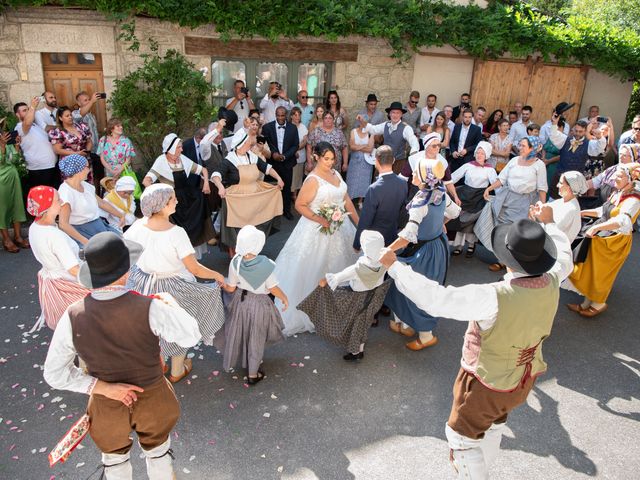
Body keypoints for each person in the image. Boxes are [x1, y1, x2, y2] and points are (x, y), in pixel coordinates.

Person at [379, 207, 573, 480]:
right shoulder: (554, 277)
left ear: (507, 258)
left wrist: (395, 266)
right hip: (524, 378)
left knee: (461, 440)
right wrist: (550, 224)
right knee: (492, 427)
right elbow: (565, 254)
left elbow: (436, 299)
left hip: (486, 382)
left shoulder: (494, 297)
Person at [43, 231, 201, 479]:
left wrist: (101, 387)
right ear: (125, 271)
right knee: (158, 455)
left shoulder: (72, 315)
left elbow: (54, 374)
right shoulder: (151, 306)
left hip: (106, 406)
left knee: (115, 464)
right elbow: (190, 336)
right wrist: (171, 303)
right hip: (153, 398)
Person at [124, 184, 226, 382]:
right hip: (174, 287)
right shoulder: (175, 233)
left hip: (143, 283)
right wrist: (217, 276)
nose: (177, 201)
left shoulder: (137, 227)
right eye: (172, 199)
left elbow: (127, 252)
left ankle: (160, 362)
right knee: (180, 324)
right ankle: (177, 370)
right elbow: (194, 268)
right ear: (162, 205)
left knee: (154, 326)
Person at [274, 142, 360, 335]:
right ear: (316, 157)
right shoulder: (312, 180)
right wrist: (321, 219)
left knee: (343, 264)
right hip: (317, 228)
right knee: (314, 267)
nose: (330, 162)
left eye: (332, 159)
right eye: (326, 159)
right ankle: (314, 309)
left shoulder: (336, 174)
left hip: (340, 227)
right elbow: (300, 205)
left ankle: (341, 306)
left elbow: (346, 201)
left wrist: (359, 225)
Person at [385, 156, 450, 350]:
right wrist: (439, 226)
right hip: (437, 246)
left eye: (416, 171)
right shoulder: (440, 192)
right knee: (405, 286)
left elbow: (407, 235)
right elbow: (455, 212)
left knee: (415, 289)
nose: (412, 173)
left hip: (422, 251)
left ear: (424, 177)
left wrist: (387, 250)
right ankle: (402, 323)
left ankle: (426, 335)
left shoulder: (421, 202)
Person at [300, 230, 391, 361]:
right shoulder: (384, 262)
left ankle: (355, 353)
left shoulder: (357, 269)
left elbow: (338, 277)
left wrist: (324, 281)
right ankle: (360, 348)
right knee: (364, 324)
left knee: (355, 325)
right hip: (374, 299)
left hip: (356, 300)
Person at [565, 165, 640, 317]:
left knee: (602, 272)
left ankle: (599, 303)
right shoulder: (618, 192)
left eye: (619, 177)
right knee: (591, 268)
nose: (614, 179)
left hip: (615, 241)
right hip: (603, 235)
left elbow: (622, 221)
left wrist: (595, 228)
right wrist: (583, 212)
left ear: (632, 180)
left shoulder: (633, 200)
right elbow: (604, 210)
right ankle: (587, 302)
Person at [221, 225, 288, 384]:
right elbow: (272, 288)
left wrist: (222, 284)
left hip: (241, 302)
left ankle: (245, 359)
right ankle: (252, 374)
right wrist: (284, 297)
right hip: (259, 305)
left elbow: (230, 287)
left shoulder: (235, 262)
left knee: (244, 331)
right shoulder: (266, 264)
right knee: (256, 337)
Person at [476, 137, 548, 271]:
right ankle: (501, 260)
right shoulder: (514, 160)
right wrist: (489, 188)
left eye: (523, 146)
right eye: (520, 145)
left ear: (532, 149)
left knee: (516, 233)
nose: (519, 148)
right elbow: (502, 179)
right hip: (508, 199)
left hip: (525, 202)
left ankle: (513, 263)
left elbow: (542, 187)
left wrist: (543, 207)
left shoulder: (539, 165)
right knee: (502, 230)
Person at [210, 127, 284, 252]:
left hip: (254, 195)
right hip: (238, 198)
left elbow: (266, 167)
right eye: (248, 143)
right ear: (240, 145)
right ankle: (235, 251)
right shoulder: (230, 160)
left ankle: (253, 249)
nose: (250, 144)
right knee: (238, 227)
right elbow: (216, 175)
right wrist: (220, 186)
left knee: (256, 224)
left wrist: (279, 178)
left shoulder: (252, 156)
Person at [27, 186, 89, 330]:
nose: (61, 201)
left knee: (69, 328)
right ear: (47, 206)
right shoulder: (54, 236)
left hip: (53, 279)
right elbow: (73, 269)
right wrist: (97, 282)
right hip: (68, 281)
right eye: (57, 199)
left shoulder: (34, 227)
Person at [142, 133, 214, 251]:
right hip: (171, 199)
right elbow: (146, 180)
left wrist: (206, 183)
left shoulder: (183, 160)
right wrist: (158, 195)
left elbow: (204, 170)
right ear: (170, 149)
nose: (182, 149)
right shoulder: (161, 161)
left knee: (201, 199)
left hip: (187, 196)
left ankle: (198, 240)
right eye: (179, 147)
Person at [57, 154, 124, 246]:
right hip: (81, 231)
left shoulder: (86, 186)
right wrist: (85, 241)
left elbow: (102, 203)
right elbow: (63, 224)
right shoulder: (66, 192)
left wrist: (120, 215)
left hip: (98, 225)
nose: (89, 170)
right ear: (78, 170)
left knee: (120, 245)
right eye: (87, 167)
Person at [449, 141, 498, 257]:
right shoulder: (468, 165)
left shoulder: (490, 170)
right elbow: (452, 178)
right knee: (460, 221)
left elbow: (497, 185)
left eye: (482, 153)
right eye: (478, 153)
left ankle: (471, 245)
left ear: (487, 156)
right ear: (475, 154)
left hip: (479, 199)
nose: (479, 155)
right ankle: (459, 246)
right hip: (465, 196)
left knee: (472, 223)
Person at [354, 145, 407, 251]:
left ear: (376, 161)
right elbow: (403, 212)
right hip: (393, 237)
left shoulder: (373, 188)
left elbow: (365, 219)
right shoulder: (403, 183)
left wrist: (357, 243)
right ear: (393, 160)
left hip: (375, 240)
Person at [548, 115, 609, 197]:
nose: (577, 133)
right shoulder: (565, 139)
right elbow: (554, 135)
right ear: (573, 130)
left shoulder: (589, 144)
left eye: (580, 131)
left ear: (585, 132)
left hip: (575, 181)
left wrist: (600, 137)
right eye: (576, 131)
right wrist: (554, 123)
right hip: (559, 178)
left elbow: (599, 148)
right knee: (553, 200)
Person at [359, 102, 420, 175]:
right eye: (393, 112)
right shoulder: (385, 125)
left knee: (395, 184)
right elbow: (373, 129)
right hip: (384, 162)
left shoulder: (406, 128)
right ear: (389, 114)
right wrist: (363, 121)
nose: (395, 115)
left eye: (398, 113)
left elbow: (413, 141)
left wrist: (414, 154)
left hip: (398, 163)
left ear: (401, 115)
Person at [262, 106, 299, 219]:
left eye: (283, 115)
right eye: (278, 115)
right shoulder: (267, 127)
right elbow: (266, 143)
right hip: (273, 163)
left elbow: (295, 145)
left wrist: (284, 156)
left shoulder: (293, 128)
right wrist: (274, 154)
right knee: (272, 187)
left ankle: (286, 210)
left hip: (287, 162)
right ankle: (271, 212)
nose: (280, 118)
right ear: (275, 115)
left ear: (286, 115)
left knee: (286, 188)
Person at [13, 98, 59, 189]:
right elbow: (27, 123)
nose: (28, 112)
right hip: (39, 169)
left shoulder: (35, 125)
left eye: (28, 110)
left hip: (50, 166)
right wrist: (33, 107)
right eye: (24, 111)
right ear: (18, 115)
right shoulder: (19, 127)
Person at [0, 131, 29, 253]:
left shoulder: (8, 143)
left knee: (17, 207)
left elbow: (15, 160)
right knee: (3, 209)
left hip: (13, 178)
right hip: (1, 180)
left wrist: (16, 145)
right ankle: (6, 240)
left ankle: (18, 237)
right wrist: (2, 146)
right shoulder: (3, 144)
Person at [547, 171, 587, 243]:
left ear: (569, 187)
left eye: (561, 183)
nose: (557, 185)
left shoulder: (571, 209)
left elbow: (554, 230)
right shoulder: (561, 201)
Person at [346, 115, 375, 202]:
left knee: (364, 181)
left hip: (366, 162)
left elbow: (370, 149)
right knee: (351, 180)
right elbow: (352, 146)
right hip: (355, 161)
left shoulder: (371, 133)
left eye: (365, 122)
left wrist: (358, 146)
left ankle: (360, 201)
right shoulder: (353, 131)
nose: (363, 124)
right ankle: (349, 199)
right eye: (362, 122)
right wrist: (364, 146)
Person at [290, 106, 309, 197]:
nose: (297, 117)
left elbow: (305, 141)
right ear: (291, 116)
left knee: (298, 177)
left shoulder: (303, 127)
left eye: (299, 115)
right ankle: (292, 195)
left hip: (300, 156)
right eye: (295, 115)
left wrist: (296, 149)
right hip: (290, 156)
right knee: (292, 176)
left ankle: (295, 195)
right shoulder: (288, 126)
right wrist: (293, 151)